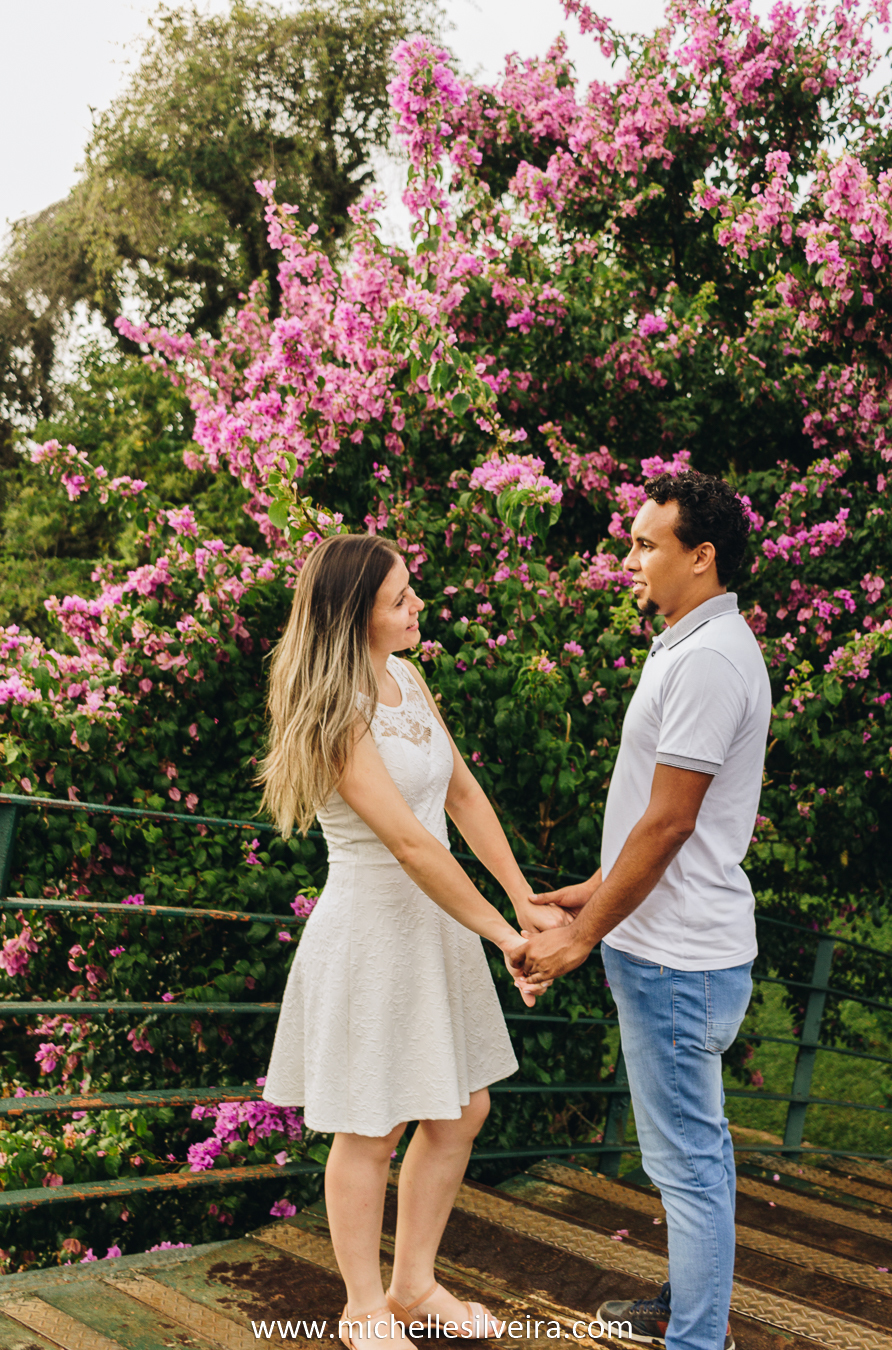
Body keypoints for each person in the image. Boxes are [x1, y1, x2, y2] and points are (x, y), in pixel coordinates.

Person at [258, 533, 564, 1348]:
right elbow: (411, 845)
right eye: (399, 598)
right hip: (373, 933)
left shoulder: (408, 678)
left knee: (464, 1107)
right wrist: (505, 935)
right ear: (356, 615)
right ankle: (362, 1309)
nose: (417, 605)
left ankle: (414, 1284)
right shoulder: (332, 711)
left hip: (439, 923)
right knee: (372, 1125)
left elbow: (460, 794)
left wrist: (522, 899)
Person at [518, 471, 771, 1350]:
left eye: (645, 545)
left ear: (701, 558)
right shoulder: (688, 642)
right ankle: (686, 1308)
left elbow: (670, 823)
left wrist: (582, 937)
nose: (628, 559)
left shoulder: (706, 659)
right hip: (671, 943)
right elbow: (652, 823)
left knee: (688, 1164)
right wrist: (589, 890)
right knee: (696, 1156)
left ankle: (697, 1340)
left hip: (676, 959)